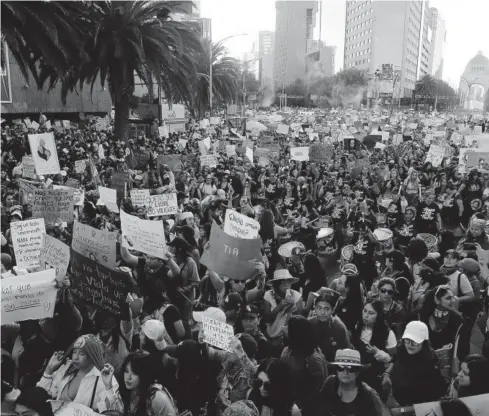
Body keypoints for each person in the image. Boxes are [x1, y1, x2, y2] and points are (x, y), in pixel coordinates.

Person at [37, 334, 118, 410]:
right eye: (74, 352)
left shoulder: (106, 378)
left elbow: (112, 410)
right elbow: (38, 396)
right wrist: (49, 370)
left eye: (81, 353)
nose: (75, 357)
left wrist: (108, 387)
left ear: (93, 356)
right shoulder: (65, 368)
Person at [386, 321, 446, 415]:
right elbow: (394, 360)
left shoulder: (430, 364)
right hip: (396, 404)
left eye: (415, 341)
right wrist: (387, 374)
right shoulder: (402, 350)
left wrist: (402, 410)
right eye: (407, 340)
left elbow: (432, 402)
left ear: (424, 342)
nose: (410, 344)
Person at [98, 351, 178, 416]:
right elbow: (118, 412)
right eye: (126, 371)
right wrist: (108, 386)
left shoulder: (157, 397)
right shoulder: (128, 390)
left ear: (144, 375)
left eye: (134, 373)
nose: (128, 377)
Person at [280, 316, 328, 416]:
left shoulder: (313, 359)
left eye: (288, 327)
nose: (284, 328)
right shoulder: (287, 351)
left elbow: (319, 388)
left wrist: (298, 406)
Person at [320, 349, 385, 416]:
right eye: (341, 368)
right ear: (336, 370)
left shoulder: (369, 395)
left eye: (351, 368)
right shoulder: (330, 383)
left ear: (357, 372)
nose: (345, 372)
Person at [263, 269, 303, 357]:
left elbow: (302, 320)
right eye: (282, 281)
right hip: (271, 336)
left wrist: (295, 310)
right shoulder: (268, 295)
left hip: (288, 339)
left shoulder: (296, 296)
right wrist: (279, 307)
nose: (286, 284)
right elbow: (267, 319)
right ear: (276, 284)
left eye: (289, 281)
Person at [308, 292, 350, 362]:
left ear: (333, 309)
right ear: (314, 308)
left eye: (327, 309)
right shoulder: (308, 323)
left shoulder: (339, 328)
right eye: (319, 308)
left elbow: (345, 354)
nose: (322, 312)